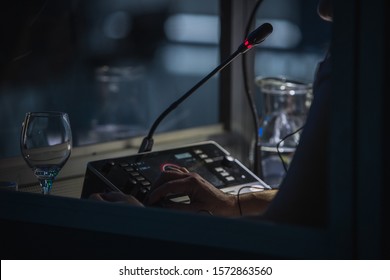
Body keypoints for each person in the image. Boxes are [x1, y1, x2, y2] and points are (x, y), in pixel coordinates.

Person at [90, 0, 333, 227]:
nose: (321, 7)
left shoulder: (347, 72)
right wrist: (232, 204)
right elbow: (317, 197)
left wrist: (148, 224)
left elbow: (280, 230)